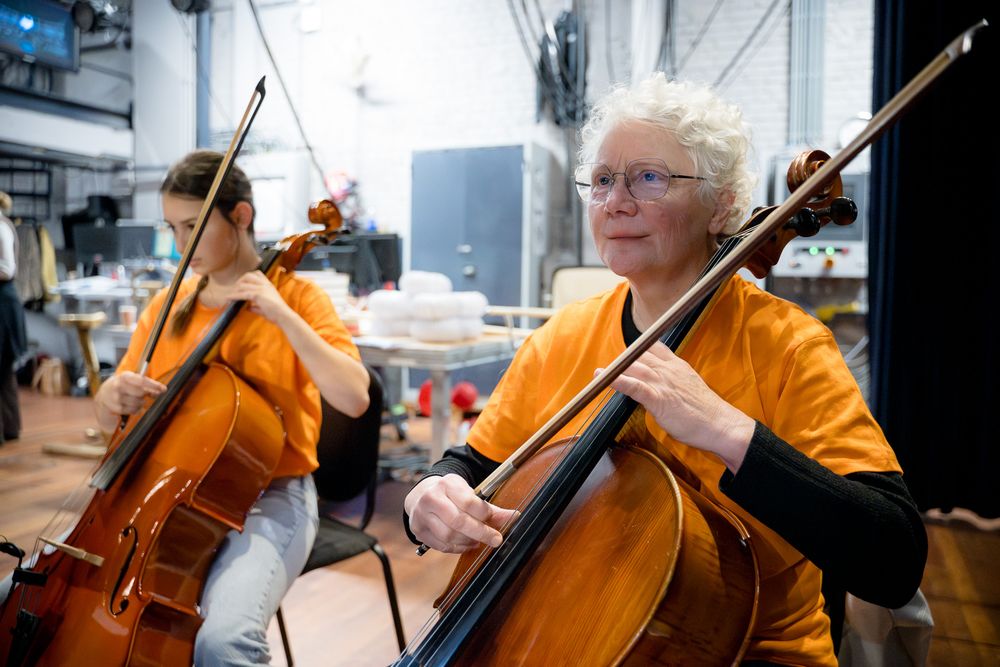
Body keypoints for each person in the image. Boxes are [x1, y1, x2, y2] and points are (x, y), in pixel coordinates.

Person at [403, 75, 926, 666]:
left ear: (723, 203)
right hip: (566, 632)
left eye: (649, 178)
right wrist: (427, 496)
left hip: (747, 651)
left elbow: (894, 558)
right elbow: (475, 464)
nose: (617, 202)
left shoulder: (788, 345)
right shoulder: (561, 338)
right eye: (602, 180)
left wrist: (728, 431)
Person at [93, 150, 371, 665]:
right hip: (164, 495)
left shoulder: (297, 297)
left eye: (194, 227)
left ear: (240, 216)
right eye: (172, 228)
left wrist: (282, 315)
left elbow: (354, 397)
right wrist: (111, 396)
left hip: (270, 497)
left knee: (225, 642)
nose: (180, 247)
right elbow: (109, 420)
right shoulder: (167, 304)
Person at [0, 191, 27, 445]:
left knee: (4, 366)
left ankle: (8, 429)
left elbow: (7, 270)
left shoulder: (0, 227)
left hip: (4, 303)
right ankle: (9, 428)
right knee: (4, 370)